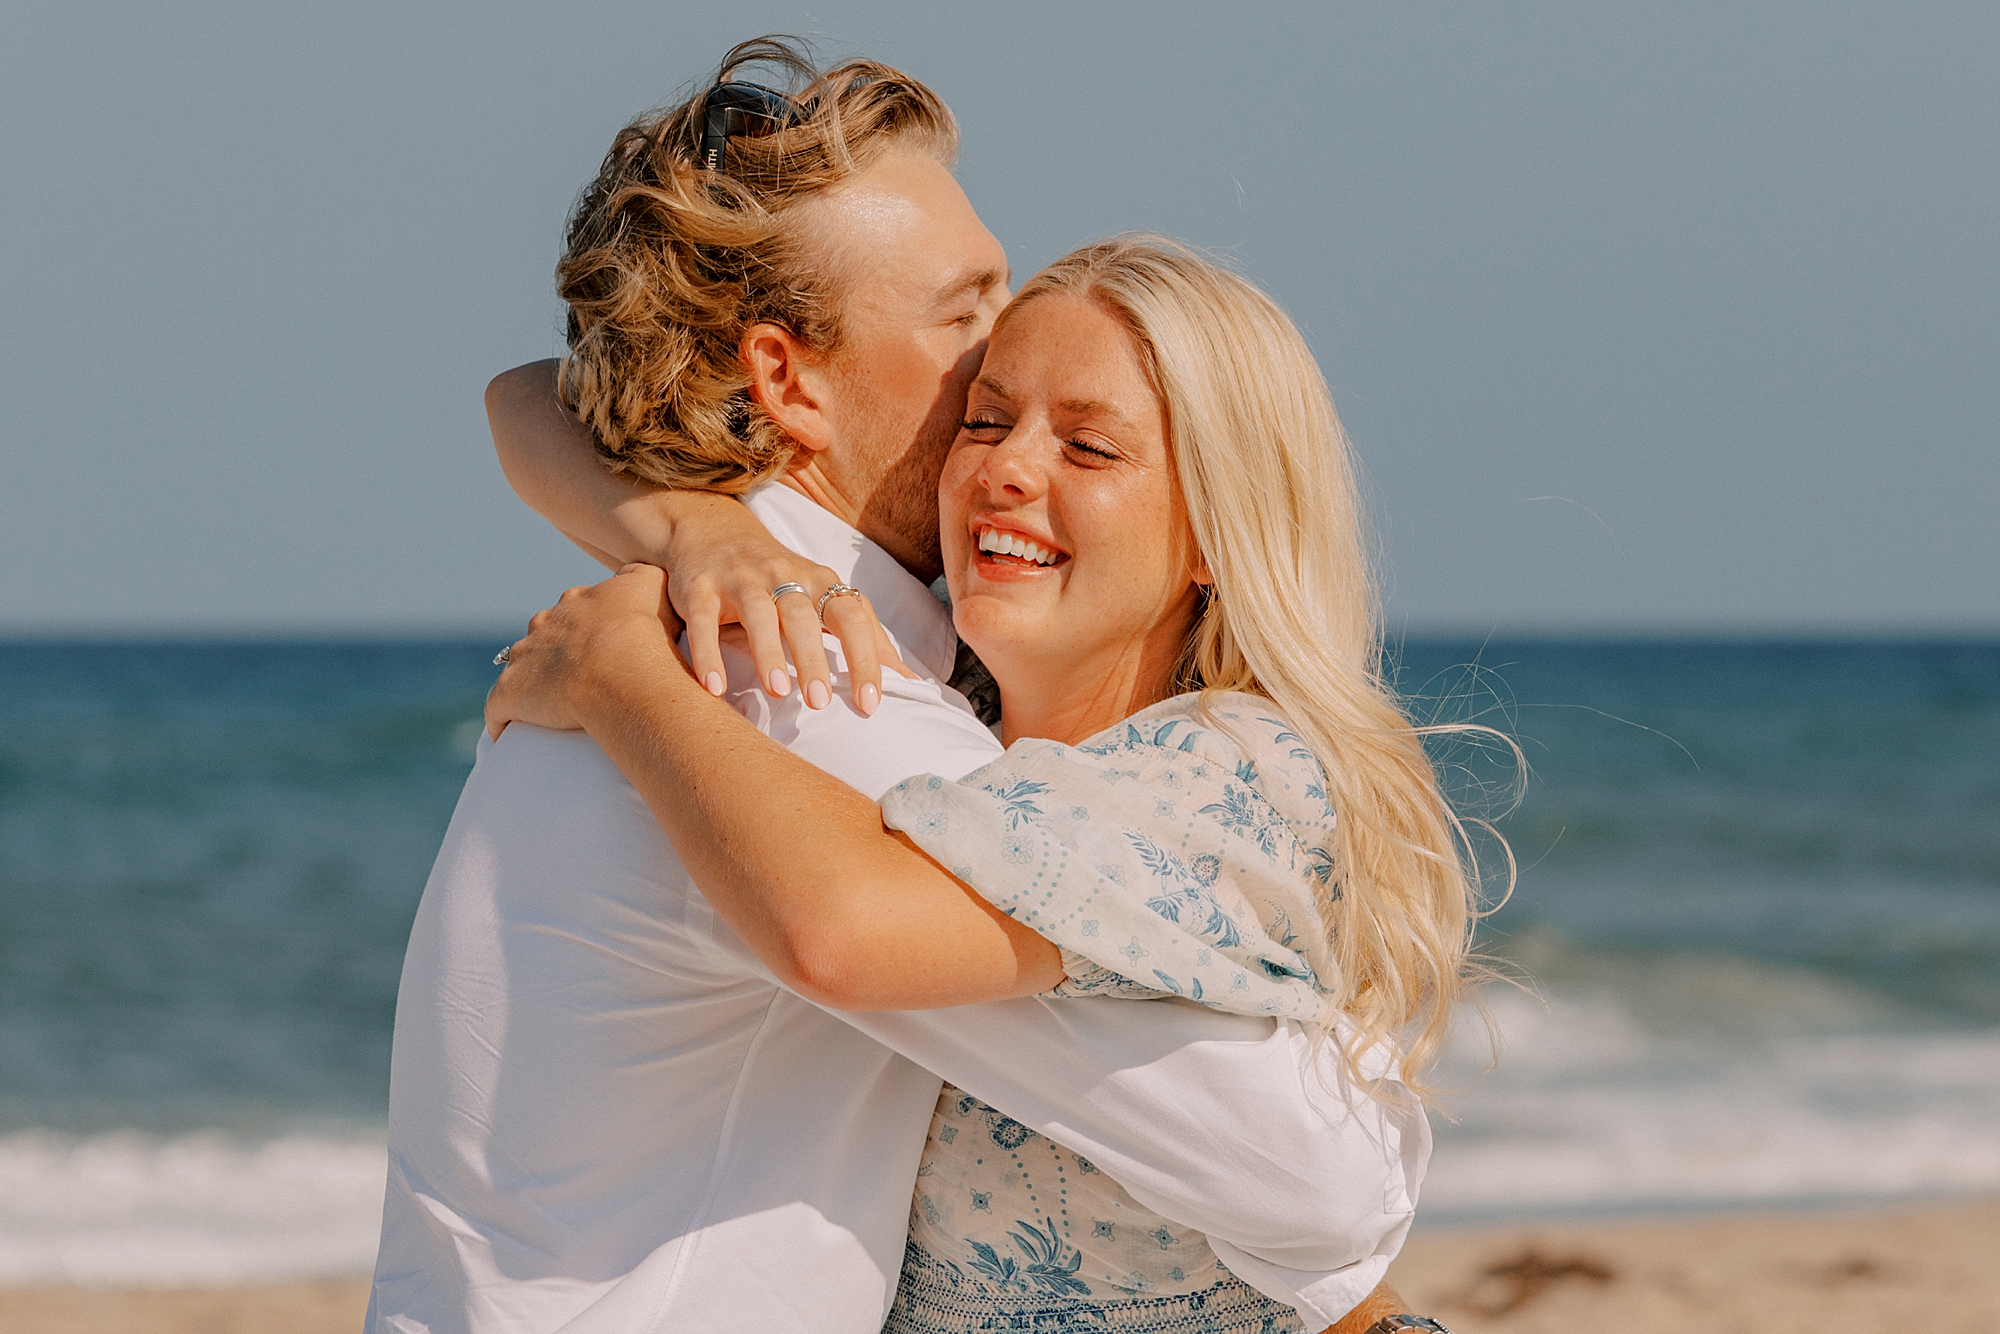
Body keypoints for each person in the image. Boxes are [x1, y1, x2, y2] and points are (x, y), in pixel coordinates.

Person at [369, 39, 1432, 1334]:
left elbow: (522, 401)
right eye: (963, 316)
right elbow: (1308, 1177)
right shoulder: (815, 688)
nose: (1006, 351)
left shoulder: (699, 602)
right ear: (785, 380)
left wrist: (673, 535)